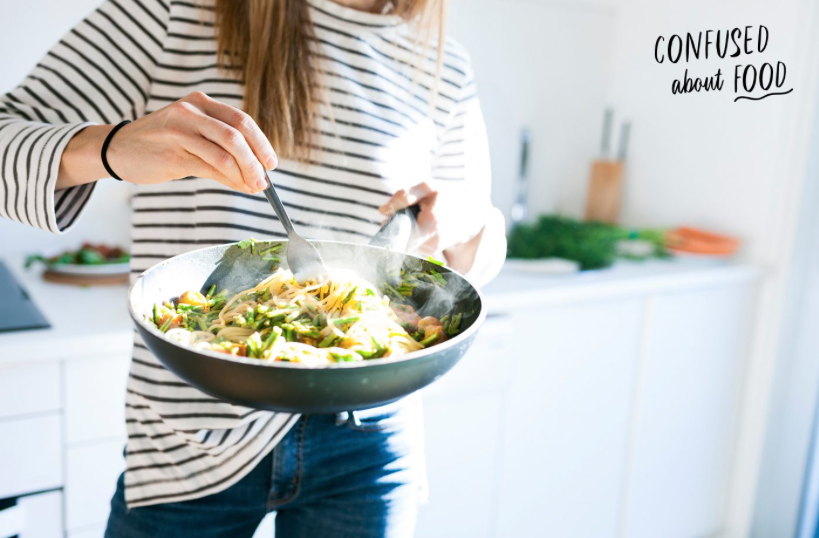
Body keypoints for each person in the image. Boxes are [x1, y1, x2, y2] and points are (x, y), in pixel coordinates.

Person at [0, 0, 505, 535]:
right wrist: (112, 147)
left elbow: (480, 254)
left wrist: (470, 222)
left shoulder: (443, 65)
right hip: (190, 436)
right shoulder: (170, 13)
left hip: (368, 437)